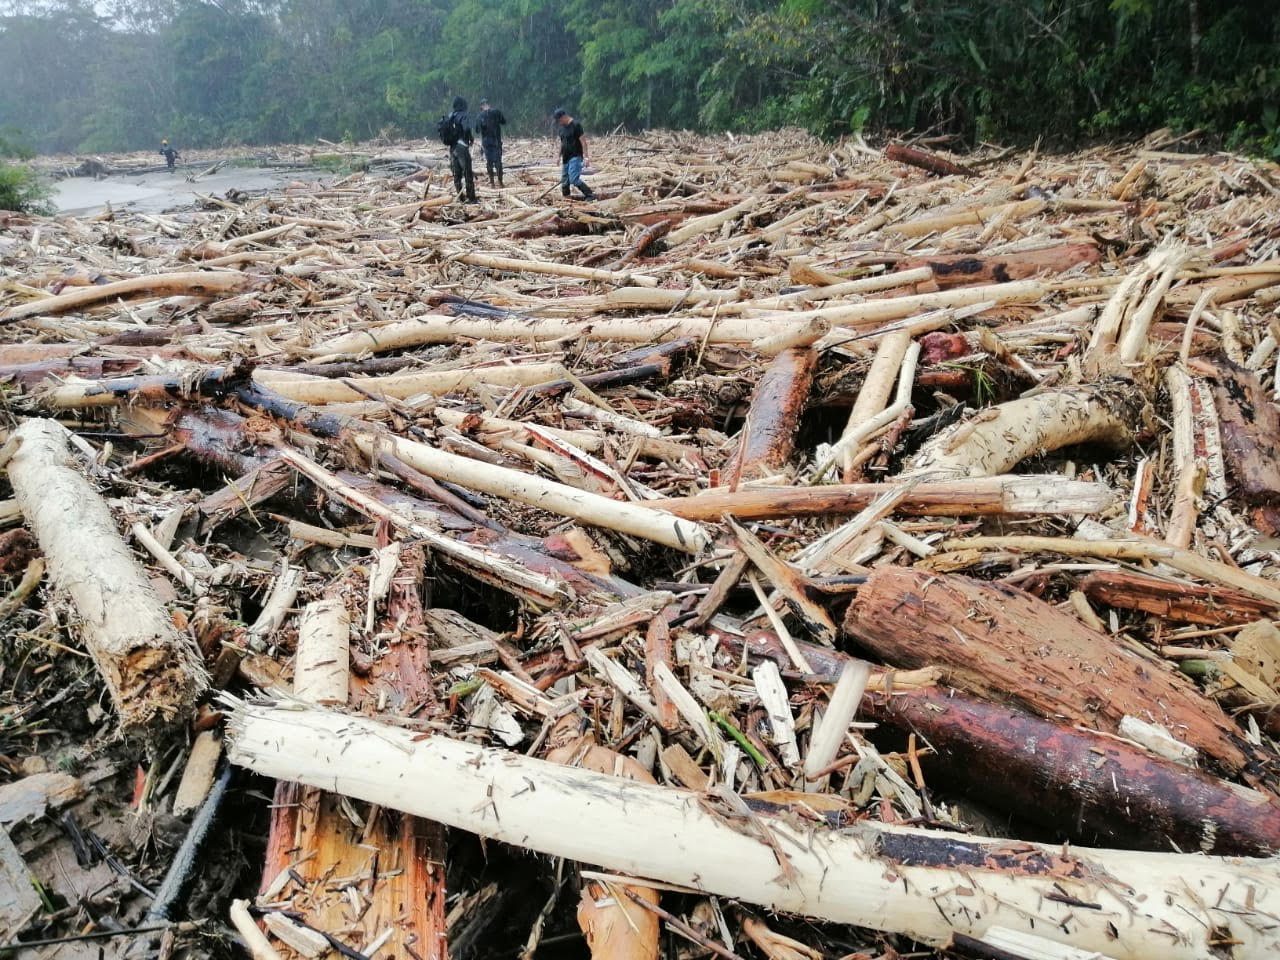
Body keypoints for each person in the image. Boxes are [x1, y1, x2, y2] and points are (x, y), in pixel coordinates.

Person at [440, 96, 476, 204]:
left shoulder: (450, 115)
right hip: (462, 147)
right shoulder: (463, 115)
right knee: (467, 172)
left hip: (452, 148)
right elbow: (467, 128)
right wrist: (470, 138)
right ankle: (471, 198)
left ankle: (460, 197)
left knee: (457, 174)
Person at [553, 108, 594, 200]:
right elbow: (562, 143)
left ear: (564, 116)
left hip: (575, 156)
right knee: (565, 181)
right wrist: (558, 157)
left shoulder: (576, 125)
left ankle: (590, 195)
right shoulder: (561, 129)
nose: (560, 122)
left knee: (574, 179)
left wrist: (586, 158)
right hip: (565, 157)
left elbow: (583, 142)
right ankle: (567, 199)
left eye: (560, 120)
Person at [474, 98, 506, 188]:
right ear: (489, 104)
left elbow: (477, 130)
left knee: (489, 162)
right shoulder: (497, 112)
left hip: (486, 143)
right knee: (498, 162)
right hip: (496, 141)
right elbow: (503, 121)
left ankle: (492, 183)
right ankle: (500, 182)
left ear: (481, 106)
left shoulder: (479, 116)